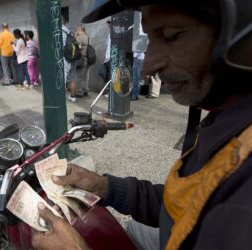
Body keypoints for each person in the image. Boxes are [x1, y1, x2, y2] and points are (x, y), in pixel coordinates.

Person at [31, 0, 252, 249]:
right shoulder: (227, 118)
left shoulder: (244, 201)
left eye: (172, 37)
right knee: (136, 228)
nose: (149, 66)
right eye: (151, 40)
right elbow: (187, 203)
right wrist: (104, 186)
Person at [62, 16, 77, 102]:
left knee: (62, 79)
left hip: (64, 58)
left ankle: (61, 98)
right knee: (72, 78)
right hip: (72, 58)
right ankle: (73, 97)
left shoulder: (59, 32)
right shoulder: (70, 32)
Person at [75, 25, 90, 97]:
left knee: (79, 76)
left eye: (77, 29)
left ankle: (79, 92)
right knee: (86, 76)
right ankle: (85, 91)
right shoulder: (88, 37)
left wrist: (75, 37)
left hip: (81, 59)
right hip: (88, 59)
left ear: (79, 29)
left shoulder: (79, 38)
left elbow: (78, 48)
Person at [98, 20, 111, 98]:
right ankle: (109, 87)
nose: (109, 25)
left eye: (110, 23)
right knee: (101, 72)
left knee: (111, 75)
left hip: (112, 57)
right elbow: (107, 46)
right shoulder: (109, 33)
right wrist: (105, 56)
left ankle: (111, 92)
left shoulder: (116, 33)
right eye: (108, 24)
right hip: (107, 57)